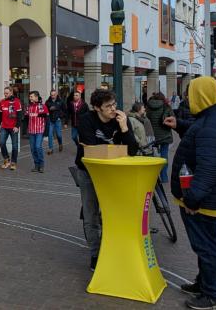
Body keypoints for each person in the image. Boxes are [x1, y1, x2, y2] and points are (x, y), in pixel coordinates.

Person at [162, 76, 216, 310]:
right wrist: (181, 125)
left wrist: (192, 199)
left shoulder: (211, 125)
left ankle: (214, 295)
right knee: (208, 243)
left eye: (190, 93)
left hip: (203, 200)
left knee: (206, 246)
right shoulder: (213, 116)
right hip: (211, 196)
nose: (187, 97)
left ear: (200, 95)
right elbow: (200, 132)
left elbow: (209, 167)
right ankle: (204, 282)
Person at [74, 89, 139, 271]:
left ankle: (114, 248)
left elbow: (132, 150)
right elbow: (93, 151)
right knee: (91, 215)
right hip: (89, 172)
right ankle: (95, 255)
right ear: (97, 108)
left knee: (116, 212)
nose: (113, 109)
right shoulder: (87, 120)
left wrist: (125, 128)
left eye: (114, 105)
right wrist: (118, 150)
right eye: (108, 106)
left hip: (113, 173)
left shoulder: (120, 120)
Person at [146, 92, 174, 183]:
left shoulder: (148, 107)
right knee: (164, 156)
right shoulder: (166, 107)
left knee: (152, 156)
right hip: (165, 135)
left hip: (152, 135)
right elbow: (172, 119)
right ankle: (164, 177)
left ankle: (152, 177)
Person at [0, 86, 23, 170]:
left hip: (13, 128)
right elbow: (0, 115)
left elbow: (20, 116)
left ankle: (13, 162)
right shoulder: (2, 102)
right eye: (4, 93)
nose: (5, 95)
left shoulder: (17, 102)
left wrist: (17, 126)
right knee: (1, 143)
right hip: (4, 127)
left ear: (11, 93)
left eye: (7, 93)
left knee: (15, 146)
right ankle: (6, 159)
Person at [26, 91, 48, 173]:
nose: (30, 98)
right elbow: (26, 118)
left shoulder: (42, 107)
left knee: (38, 146)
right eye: (30, 97)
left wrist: (46, 131)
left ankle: (41, 164)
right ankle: (36, 165)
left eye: (31, 96)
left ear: (36, 97)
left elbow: (47, 120)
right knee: (32, 148)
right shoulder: (29, 107)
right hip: (31, 131)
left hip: (40, 130)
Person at [44, 89, 66, 153]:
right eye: (51, 95)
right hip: (50, 120)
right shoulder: (47, 102)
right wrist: (49, 110)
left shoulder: (61, 101)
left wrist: (60, 117)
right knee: (50, 135)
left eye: (54, 95)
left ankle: (60, 143)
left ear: (56, 94)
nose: (52, 96)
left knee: (59, 135)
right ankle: (50, 148)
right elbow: (45, 111)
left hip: (57, 120)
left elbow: (64, 111)